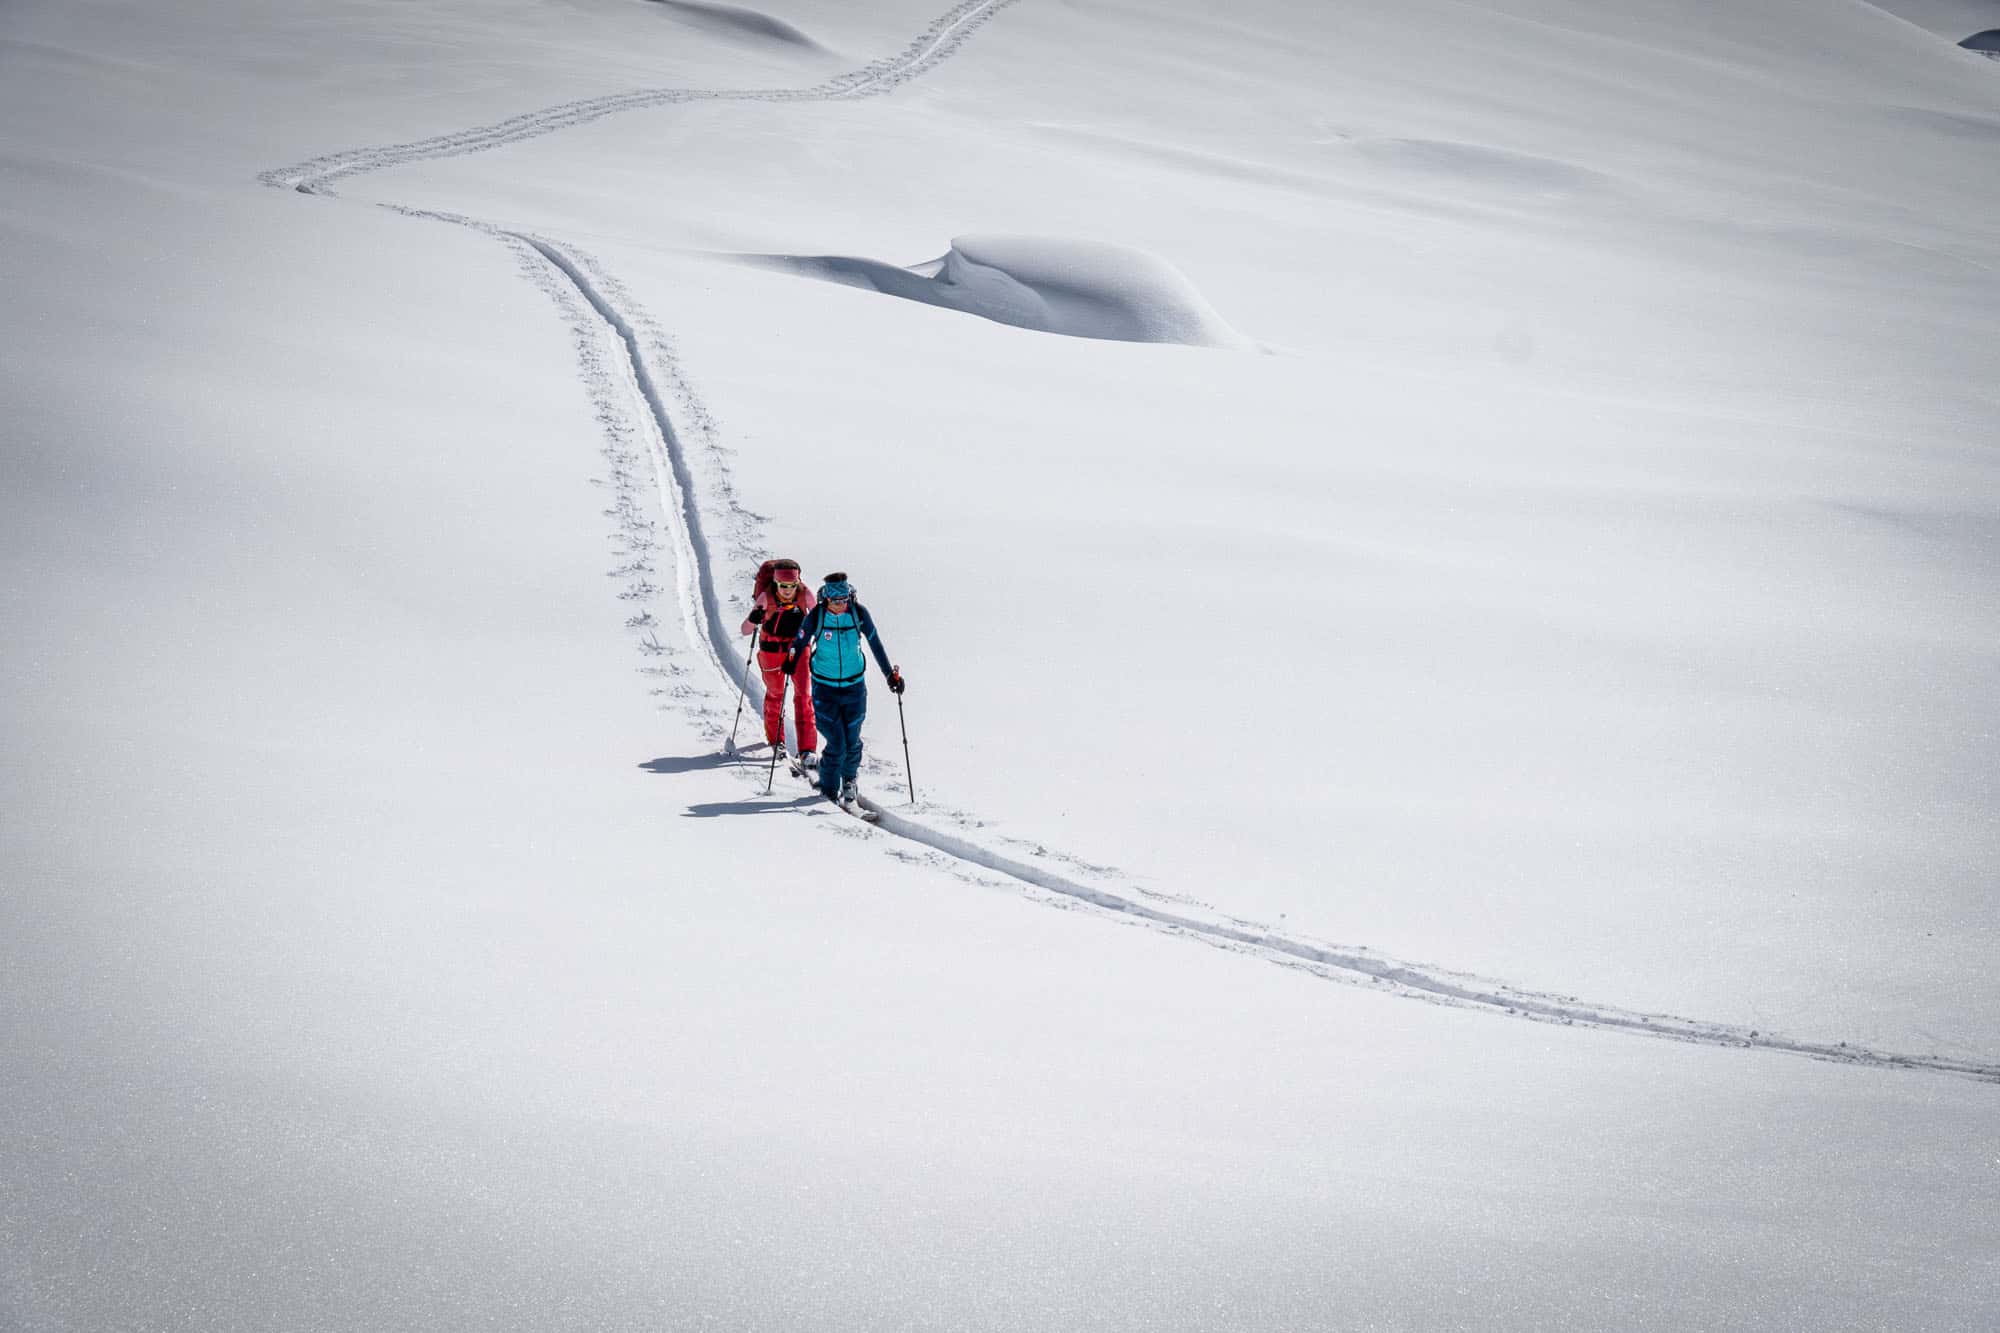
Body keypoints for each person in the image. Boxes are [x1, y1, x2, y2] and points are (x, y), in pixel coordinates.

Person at [784, 572, 904, 806]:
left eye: (843, 600)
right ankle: (829, 787)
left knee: (853, 740)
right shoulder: (817, 617)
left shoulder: (859, 614)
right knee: (837, 741)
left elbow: (875, 643)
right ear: (825, 599)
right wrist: (791, 658)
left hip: (854, 688)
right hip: (825, 689)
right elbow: (799, 641)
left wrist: (890, 675)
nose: (840, 605)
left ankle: (849, 781)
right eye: (835, 601)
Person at [741, 558, 817, 767]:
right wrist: (754, 618)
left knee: (804, 695)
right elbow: (745, 630)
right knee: (776, 694)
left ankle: (808, 750)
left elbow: (819, 620)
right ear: (775, 583)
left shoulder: (805, 595)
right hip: (772, 652)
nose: (787, 590)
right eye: (783, 586)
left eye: (791, 586)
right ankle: (777, 741)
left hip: (799, 650)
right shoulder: (766, 598)